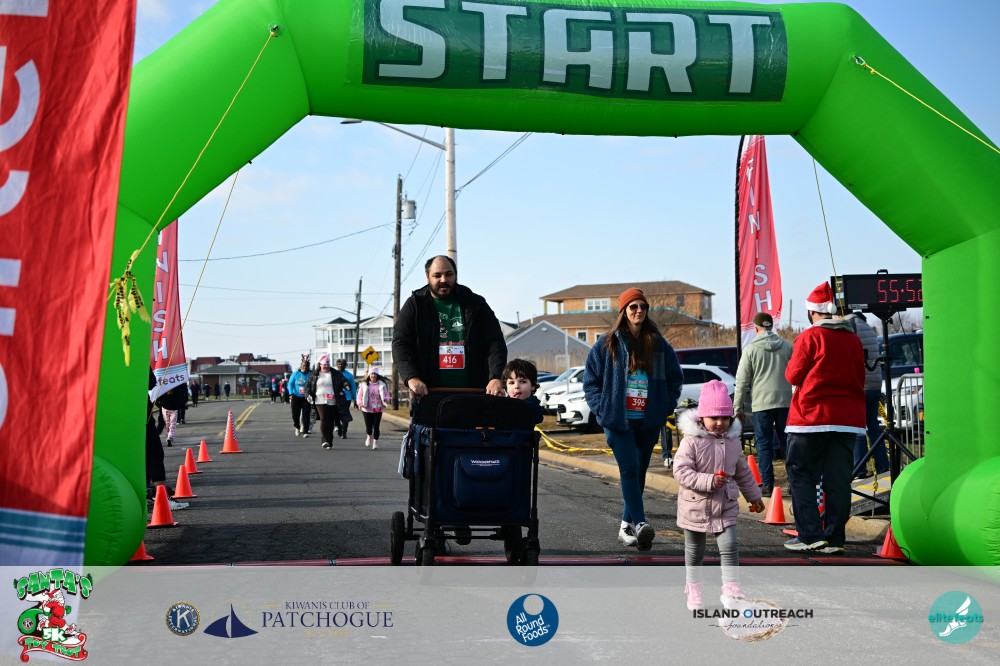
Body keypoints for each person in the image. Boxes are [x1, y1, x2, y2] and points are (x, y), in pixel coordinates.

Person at [583, 287, 683, 551]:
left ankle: (625, 526)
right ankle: (640, 523)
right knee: (629, 469)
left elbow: (675, 379)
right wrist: (602, 409)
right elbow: (590, 382)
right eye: (633, 307)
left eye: (643, 306)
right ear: (624, 311)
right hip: (618, 420)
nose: (639, 311)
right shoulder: (606, 345)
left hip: (648, 420)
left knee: (639, 472)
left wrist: (664, 406)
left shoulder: (658, 344)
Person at [783, 282, 865, 553]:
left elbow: (793, 375)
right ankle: (835, 537)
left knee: (801, 474)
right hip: (848, 420)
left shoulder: (810, 337)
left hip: (811, 418)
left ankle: (810, 535)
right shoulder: (853, 339)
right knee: (838, 480)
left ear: (811, 312)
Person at [674, 380, 764, 610]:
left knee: (730, 546)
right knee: (695, 551)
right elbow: (681, 471)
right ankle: (693, 588)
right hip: (695, 505)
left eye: (724, 418)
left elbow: (742, 472)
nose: (719, 423)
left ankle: (731, 590)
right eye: (713, 417)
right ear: (701, 417)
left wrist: (754, 496)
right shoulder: (691, 441)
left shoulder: (733, 442)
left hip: (725, 504)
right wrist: (709, 481)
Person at [392, 255, 507, 402]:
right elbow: (400, 343)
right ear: (427, 277)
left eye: (448, 274)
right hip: (429, 396)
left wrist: (495, 377)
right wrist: (412, 377)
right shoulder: (415, 305)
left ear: (456, 274)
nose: (443, 280)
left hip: (474, 395)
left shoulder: (476, 303)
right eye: (437, 275)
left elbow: (495, 342)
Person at [732, 311, 794, 497]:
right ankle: (794, 483)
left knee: (764, 444)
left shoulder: (750, 350)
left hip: (761, 404)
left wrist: (738, 408)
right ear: (771, 326)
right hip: (785, 402)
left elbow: (741, 382)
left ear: (756, 328)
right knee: (788, 443)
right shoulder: (787, 346)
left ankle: (767, 484)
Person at [845, 310, 890, 477]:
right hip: (875, 383)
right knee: (873, 427)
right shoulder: (867, 327)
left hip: (861, 384)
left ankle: (859, 469)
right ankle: (883, 465)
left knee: (858, 428)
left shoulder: (850, 325)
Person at [146, 370, 188, 511]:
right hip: (141, 414)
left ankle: (146, 493)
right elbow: (151, 382)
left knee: (144, 456)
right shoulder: (137, 359)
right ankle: (162, 499)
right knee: (155, 454)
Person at [307, 354, 350, 449]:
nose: (326, 366)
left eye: (327, 364)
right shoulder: (314, 374)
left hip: (332, 400)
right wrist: (308, 395)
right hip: (319, 400)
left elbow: (343, 380)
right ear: (320, 365)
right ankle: (325, 440)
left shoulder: (335, 373)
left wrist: (346, 385)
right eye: (324, 364)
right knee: (323, 419)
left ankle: (329, 440)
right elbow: (308, 387)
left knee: (330, 421)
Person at [356, 366, 392, 450]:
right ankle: (369, 435)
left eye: (375, 374)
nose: (373, 376)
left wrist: (386, 399)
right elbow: (359, 396)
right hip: (366, 408)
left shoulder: (382, 385)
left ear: (377, 375)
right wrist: (360, 403)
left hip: (378, 408)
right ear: (369, 375)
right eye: (372, 374)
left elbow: (387, 394)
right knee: (368, 427)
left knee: (376, 426)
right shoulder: (364, 384)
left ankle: (375, 442)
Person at [502, 358, 544, 424]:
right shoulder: (504, 404)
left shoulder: (532, 407)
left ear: (533, 386)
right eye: (512, 383)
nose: (516, 386)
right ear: (506, 387)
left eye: (522, 382)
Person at [288, 355, 313, 437]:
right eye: (303, 365)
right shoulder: (295, 374)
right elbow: (290, 384)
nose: (305, 367)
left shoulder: (310, 375)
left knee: (306, 414)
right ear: (301, 366)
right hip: (296, 396)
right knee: (295, 415)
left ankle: (305, 431)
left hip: (306, 397)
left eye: (306, 366)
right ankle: (297, 426)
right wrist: (291, 393)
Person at [155, 383, 187, 447]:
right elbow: (181, 399)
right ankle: (169, 437)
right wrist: (183, 405)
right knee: (172, 425)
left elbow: (156, 400)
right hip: (174, 409)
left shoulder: (163, 389)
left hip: (165, 408)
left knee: (167, 424)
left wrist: (160, 405)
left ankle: (167, 437)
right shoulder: (177, 389)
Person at [334, 359, 357, 439]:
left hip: (346, 398)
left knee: (345, 415)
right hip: (335, 398)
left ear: (345, 365)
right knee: (336, 415)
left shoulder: (349, 376)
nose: (340, 366)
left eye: (342, 364)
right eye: (339, 364)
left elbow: (353, 388)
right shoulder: (334, 374)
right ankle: (338, 427)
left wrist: (355, 400)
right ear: (337, 365)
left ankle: (344, 432)